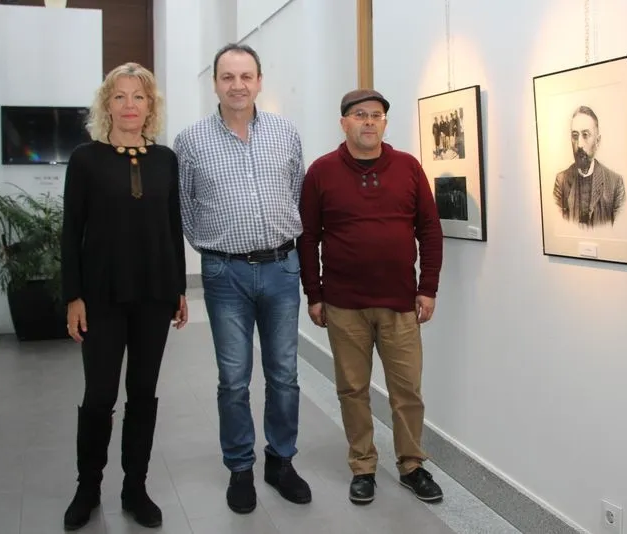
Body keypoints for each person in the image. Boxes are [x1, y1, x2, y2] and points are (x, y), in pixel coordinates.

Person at [173, 43, 311, 515]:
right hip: (224, 272)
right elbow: (185, 210)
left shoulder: (286, 134)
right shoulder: (190, 141)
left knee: (285, 375)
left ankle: (281, 461)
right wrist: (217, 249)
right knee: (233, 379)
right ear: (214, 82)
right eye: (228, 77)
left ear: (259, 80)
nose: (237, 85)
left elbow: (294, 195)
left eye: (245, 76)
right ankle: (239, 468)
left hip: (281, 268)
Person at [297, 89, 445, 505]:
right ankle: (363, 466)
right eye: (359, 115)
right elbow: (308, 239)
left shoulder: (408, 168)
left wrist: (427, 287)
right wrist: (315, 293)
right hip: (344, 305)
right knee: (352, 390)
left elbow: (429, 232)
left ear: (384, 122)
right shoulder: (321, 172)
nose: (368, 122)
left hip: (400, 303)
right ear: (343, 123)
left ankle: (412, 465)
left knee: (407, 392)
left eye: (376, 115)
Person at [59, 62, 188, 531]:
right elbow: (70, 232)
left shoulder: (166, 159)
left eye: (139, 97)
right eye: (120, 97)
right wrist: (73, 297)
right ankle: (87, 487)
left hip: (155, 295)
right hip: (101, 296)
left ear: (150, 106)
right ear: (106, 104)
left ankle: (136, 487)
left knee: (144, 393)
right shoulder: (85, 159)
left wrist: (178, 288)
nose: (130, 105)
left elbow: (172, 228)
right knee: (99, 396)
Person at [552, 105, 626, 228]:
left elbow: (619, 230)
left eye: (585, 135)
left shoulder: (615, 184)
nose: (579, 144)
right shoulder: (561, 181)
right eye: (575, 136)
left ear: (597, 141)